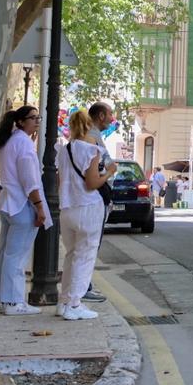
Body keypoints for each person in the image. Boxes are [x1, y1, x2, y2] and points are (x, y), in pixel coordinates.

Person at [56, 110, 116, 320]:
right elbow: (92, 184)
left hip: (67, 208)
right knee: (85, 256)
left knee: (71, 255)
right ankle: (74, 304)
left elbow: (59, 180)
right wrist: (108, 173)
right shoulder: (92, 149)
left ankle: (64, 301)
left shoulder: (64, 150)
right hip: (88, 208)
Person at [0, 106, 51, 315]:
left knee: (6, 254)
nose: (37, 121)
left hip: (9, 204)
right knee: (17, 256)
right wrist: (39, 208)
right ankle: (13, 302)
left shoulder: (7, 141)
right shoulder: (24, 144)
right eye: (32, 118)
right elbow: (30, 181)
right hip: (22, 205)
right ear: (21, 122)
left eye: (38, 117)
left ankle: (4, 300)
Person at [84, 101, 115, 304]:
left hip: (88, 200)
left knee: (84, 249)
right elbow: (100, 171)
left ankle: (83, 286)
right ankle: (83, 287)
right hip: (94, 199)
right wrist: (111, 171)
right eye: (110, 114)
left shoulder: (92, 137)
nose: (112, 118)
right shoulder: (92, 140)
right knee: (88, 248)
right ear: (101, 116)